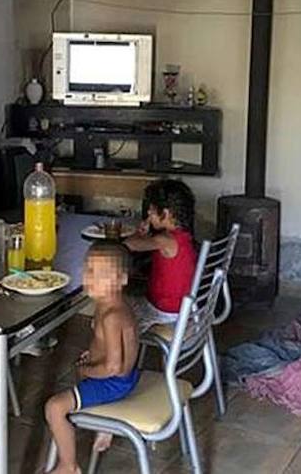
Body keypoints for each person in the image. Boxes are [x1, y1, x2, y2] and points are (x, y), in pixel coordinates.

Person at [44, 242, 139, 474]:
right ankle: (104, 420)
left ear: (121, 279)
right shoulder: (111, 304)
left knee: (54, 408)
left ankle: (68, 466)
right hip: (125, 377)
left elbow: (113, 367)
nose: (91, 279)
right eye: (88, 270)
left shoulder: (111, 316)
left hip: (113, 383)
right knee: (80, 376)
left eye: (101, 274)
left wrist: (87, 370)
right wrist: (93, 357)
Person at [123, 179, 197, 331]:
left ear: (166, 213)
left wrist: (139, 233)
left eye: (151, 210)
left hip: (164, 313)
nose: (148, 213)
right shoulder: (184, 237)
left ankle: (114, 343)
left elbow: (129, 245)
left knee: (114, 307)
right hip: (182, 309)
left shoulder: (165, 240)